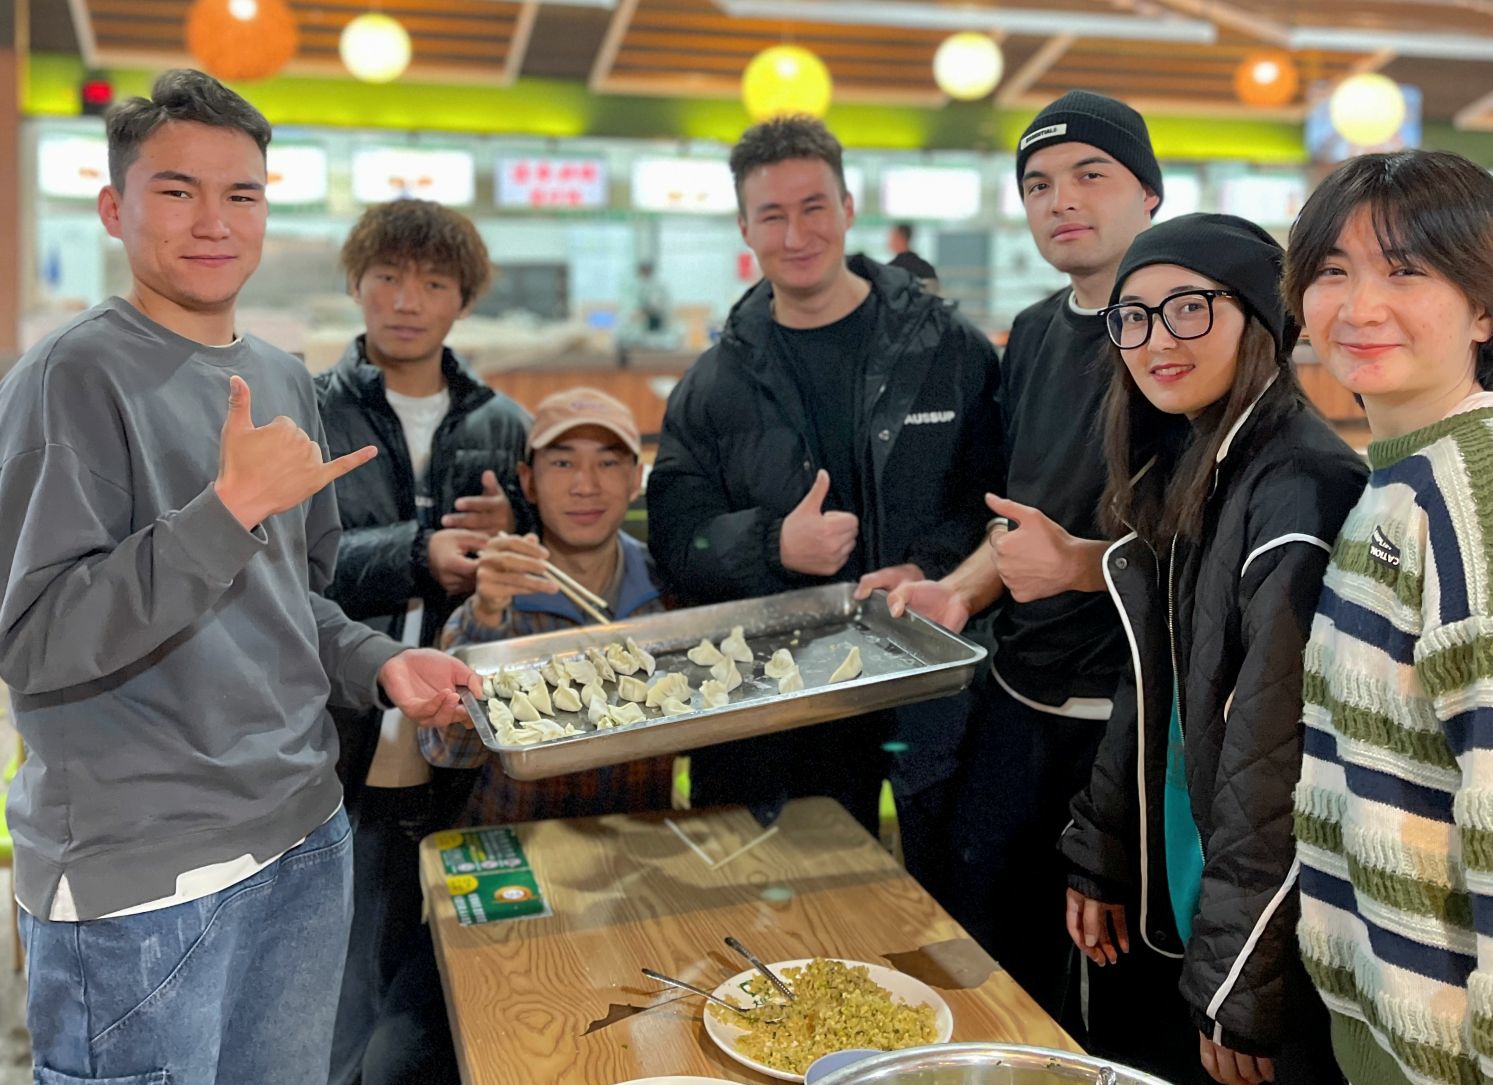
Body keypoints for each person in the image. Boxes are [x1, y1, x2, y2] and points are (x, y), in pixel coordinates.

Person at [0, 70, 476, 1085]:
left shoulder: (281, 376)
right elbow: (33, 640)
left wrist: (380, 662)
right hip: (144, 880)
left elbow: (290, 600)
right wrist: (223, 513)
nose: (213, 221)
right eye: (176, 190)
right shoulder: (68, 378)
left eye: (241, 193)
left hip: (304, 829)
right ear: (114, 208)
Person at [858, 89, 1163, 1017]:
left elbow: (1214, 545)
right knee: (986, 945)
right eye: (1037, 184)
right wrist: (953, 592)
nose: (1060, 199)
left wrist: (1080, 565)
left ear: (1148, 194)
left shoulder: (1183, 335)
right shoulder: (1029, 335)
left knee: (1110, 990)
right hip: (1017, 696)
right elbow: (1016, 516)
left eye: (1089, 174)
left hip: (1127, 723)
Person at [1059, 213, 1363, 1085]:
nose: (1157, 340)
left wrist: (1240, 983)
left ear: (1260, 318)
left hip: (1268, 942)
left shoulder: (1300, 487)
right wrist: (1101, 848)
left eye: (1189, 308)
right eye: (1133, 317)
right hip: (1192, 890)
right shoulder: (1192, 460)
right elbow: (1151, 681)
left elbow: (1280, 761)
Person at [646, 115, 1003, 839]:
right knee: (798, 887)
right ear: (745, 229)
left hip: (932, 688)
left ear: (846, 208)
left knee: (943, 891)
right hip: (781, 709)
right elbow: (677, 537)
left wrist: (931, 567)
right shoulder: (711, 384)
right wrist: (773, 544)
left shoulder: (949, 350)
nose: (795, 234)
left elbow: (997, 498)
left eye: (813, 207)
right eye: (771, 215)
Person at [352, 388, 672, 1084]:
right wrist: (487, 617)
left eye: (608, 462)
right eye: (561, 462)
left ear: (635, 478)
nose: (585, 485)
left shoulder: (669, 590)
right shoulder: (496, 592)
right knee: (395, 1066)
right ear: (527, 479)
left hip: (635, 868)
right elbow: (444, 749)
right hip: (507, 867)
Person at [1287, 151, 1493, 1085]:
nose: (1359, 306)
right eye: (1332, 270)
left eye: (1405, 270)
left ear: (1482, 308)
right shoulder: (1398, 477)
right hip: (1385, 1029)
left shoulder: (1469, 496)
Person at [317, 199, 531, 1085]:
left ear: (463, 300)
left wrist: (512, 531)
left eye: (434, 283)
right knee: (346, 966)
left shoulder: (500, 420)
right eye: (388, 277)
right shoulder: (309, 411)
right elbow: (289, 569)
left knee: (465, 963)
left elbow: (536, 567)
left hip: (466, 733)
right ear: (357, 284)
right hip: (344, 726)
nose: (408, 300)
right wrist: (417, 553)